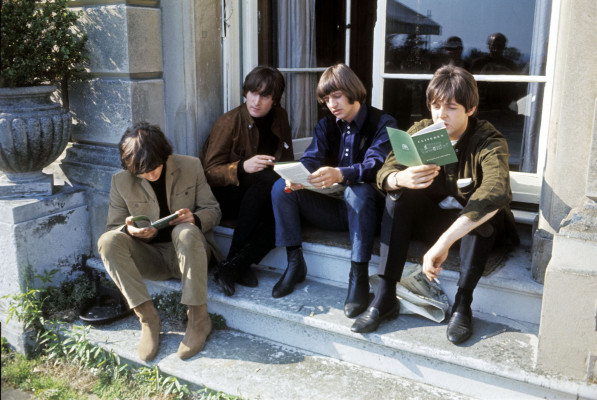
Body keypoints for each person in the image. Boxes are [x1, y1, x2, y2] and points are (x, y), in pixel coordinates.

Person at [351, 65, 519, 345]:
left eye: (452, 107)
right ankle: (386, 296)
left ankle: (463, 303)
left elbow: (495, 192)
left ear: (471, 109)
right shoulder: (422, 131)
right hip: (435, 219)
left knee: (483, 213)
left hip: (478, 231)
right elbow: (384, 171)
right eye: (436, 105)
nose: (441, 114)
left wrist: (444, 242)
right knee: (399, 195)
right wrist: (399, 177)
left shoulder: (489, 141)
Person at [270, 63, 397, 319]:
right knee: (280, 188)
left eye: (337, 96)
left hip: (367, 213)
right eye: (326, 99)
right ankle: (295, 263)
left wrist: (341, 174)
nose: (332, 104)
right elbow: (311, 158)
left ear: (352, 91)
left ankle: (358, 278)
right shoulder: (326, 125)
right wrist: (298, 177)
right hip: (332, 209)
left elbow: (376, 164)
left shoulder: (383, 122)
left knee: (357, 191)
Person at [98, 122, 221, 361]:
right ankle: (149, 320)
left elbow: (213, 210)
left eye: (155, 167)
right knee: (107, 241)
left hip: (191, 254)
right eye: (143, 171)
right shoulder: (120, 181)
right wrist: (130, 230)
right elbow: (113, 229)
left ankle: (198, 319)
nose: (151, 174)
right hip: (151, 258)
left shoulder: (190, 165)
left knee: (184, 231)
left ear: (164, 154)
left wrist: (194, 218)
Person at [201, 65, 293, 296]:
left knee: (285, 216)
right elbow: (209, 172)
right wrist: (242, 166)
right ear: (245, 93)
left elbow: (287, 159)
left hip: (261, 194)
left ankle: (234, 265)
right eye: (252, 92)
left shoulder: (280, 116)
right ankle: (234, 262)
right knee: (263, 182)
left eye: (264, 95)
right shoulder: (228, 122)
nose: (256, 101)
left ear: (275, 99)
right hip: (228, 194)